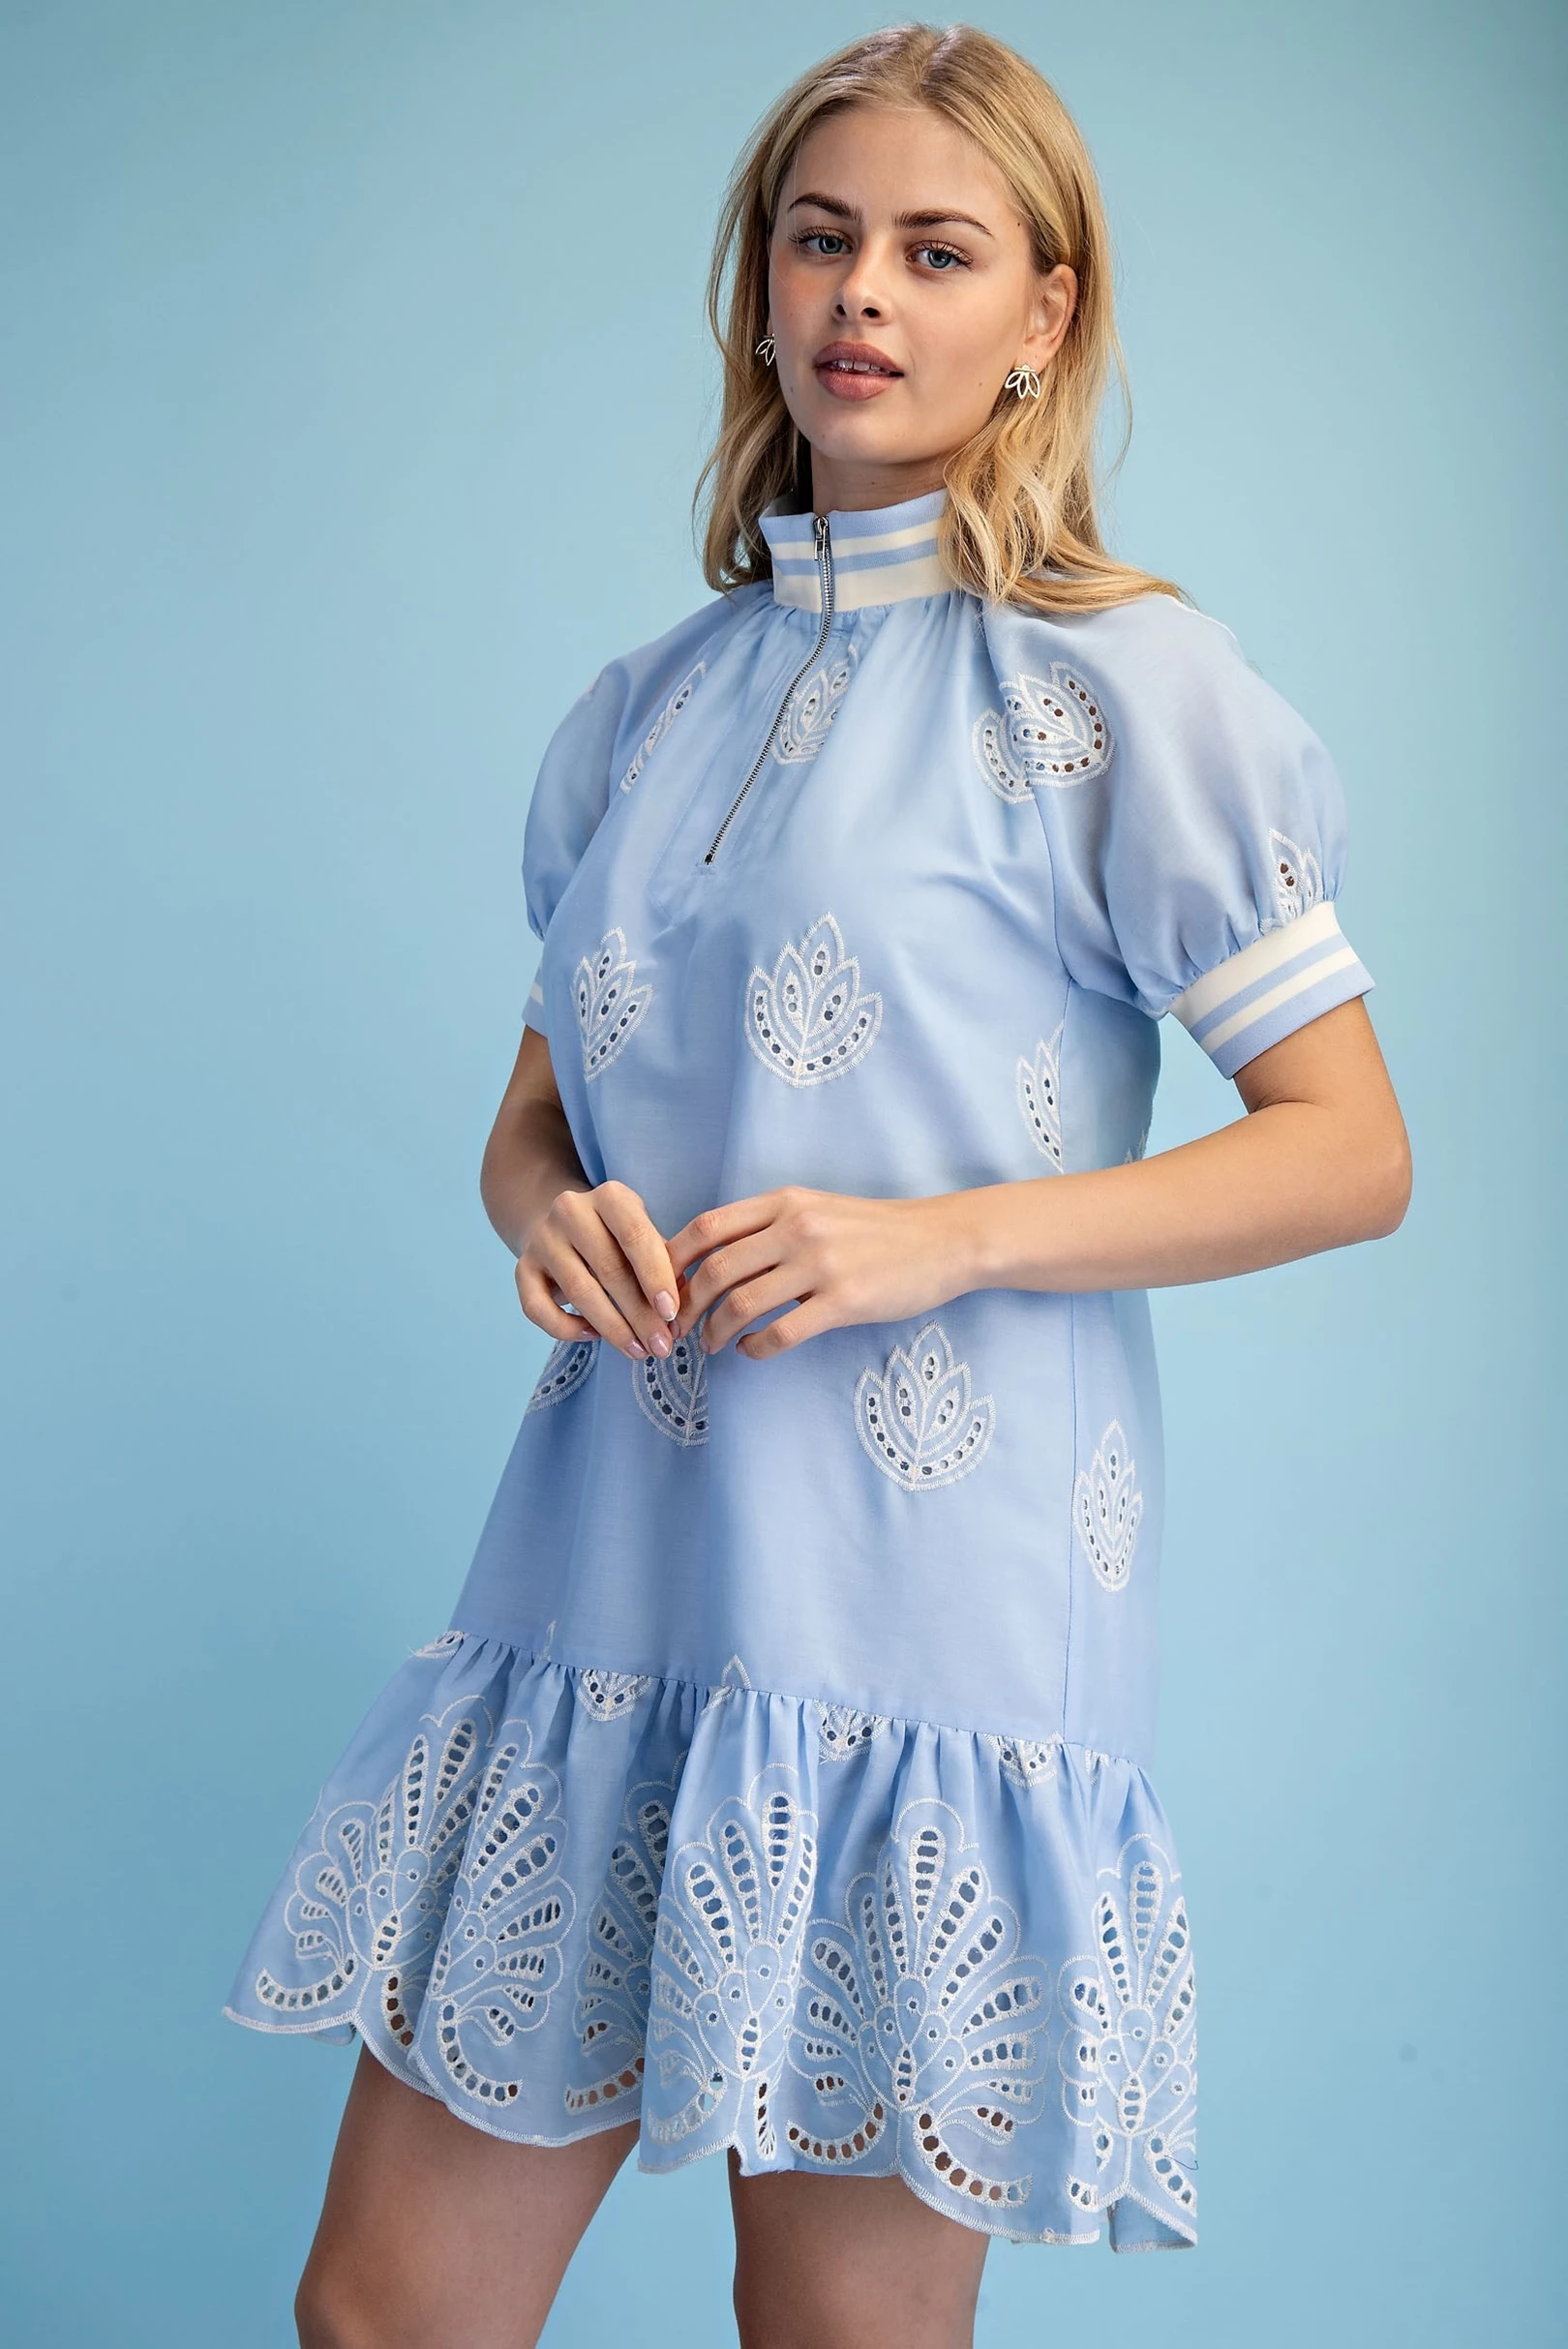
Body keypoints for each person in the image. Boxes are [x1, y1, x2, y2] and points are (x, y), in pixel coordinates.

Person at [225, 21, 1411, 2348]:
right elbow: (538, 1111)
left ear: (1045, 313)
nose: (864, 290)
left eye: (938, 251)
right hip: (599, 1567)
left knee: (842, 2334)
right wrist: (541, 1210)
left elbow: (1350, 1150)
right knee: (384, 2308)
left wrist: (941, 1238)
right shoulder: (646, 704)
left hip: (920, 1608)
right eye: (820, 236)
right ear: (760, 283)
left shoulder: (1127, 690)